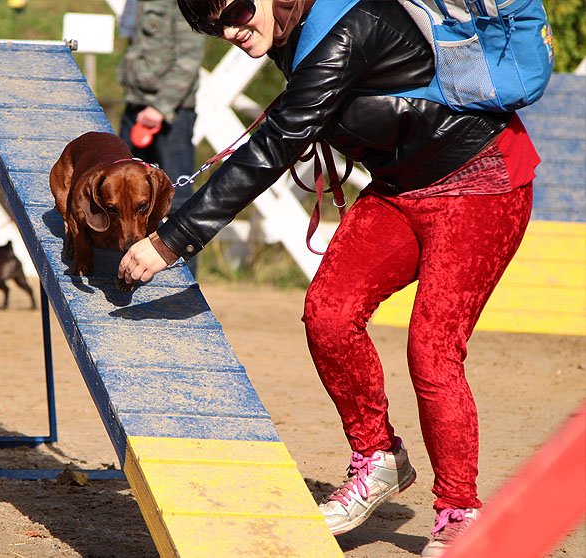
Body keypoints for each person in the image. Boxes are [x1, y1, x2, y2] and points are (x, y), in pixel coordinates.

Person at [118, 1, 539, 555]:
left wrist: (174, 238)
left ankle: (461, 510)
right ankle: (378, 458)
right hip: (398, 187)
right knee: (329, 314)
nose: (231, 31)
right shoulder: (288, 28)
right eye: (212, 25)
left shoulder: (348, 23)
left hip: (481, 181)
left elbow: (277, 143)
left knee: (432, 349)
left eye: (238, 9)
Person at [117, 0, 205, 277]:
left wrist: (161, 106)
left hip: (170, 114)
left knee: (178, 202)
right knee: (122, 193)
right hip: (136, 105)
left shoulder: (182, 3)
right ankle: (123, 269)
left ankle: (185, 281)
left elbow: (189, 58)